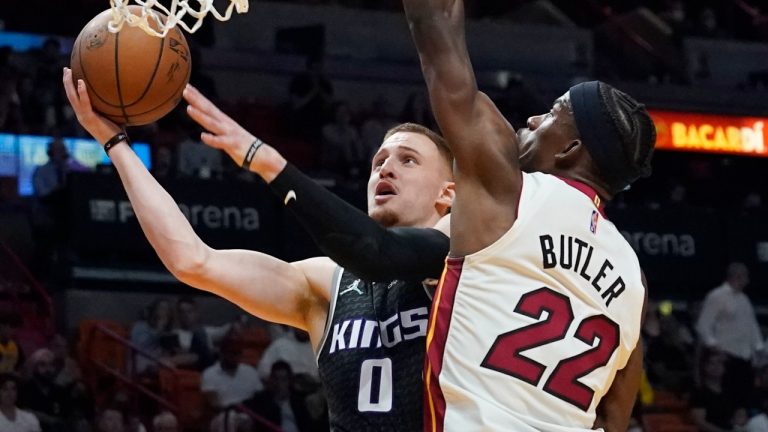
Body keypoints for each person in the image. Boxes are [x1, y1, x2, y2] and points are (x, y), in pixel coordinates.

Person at [64, 67, 453, 431]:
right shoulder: (325, 285)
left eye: (408, 160)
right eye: (379, 161)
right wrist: (115, 144)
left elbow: (377, 251)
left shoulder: (459, 261)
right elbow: (192, 260)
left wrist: (267, 162)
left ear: (448, 194)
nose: (385, 169)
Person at [402, 0, 655, 430]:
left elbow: (436, 41)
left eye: (552, 115)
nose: (534, 117)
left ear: (571, 150)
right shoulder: (634, 278)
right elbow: (614, 417)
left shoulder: (510, 189)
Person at [696, 262, 762, 408]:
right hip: (726, 356)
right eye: (745, 276)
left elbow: (752, 328)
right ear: (737, 276)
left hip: (745, 359)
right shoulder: (717, 296)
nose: (748, 280)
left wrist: (758, 350)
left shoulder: (745, 300)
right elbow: (703, 325)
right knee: (729, 398)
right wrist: (715, 347)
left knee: (745, 399)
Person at [200, 334, 263, 409]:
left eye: (238, 353)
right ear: (222, 353)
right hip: (224, 415)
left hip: (251, 413)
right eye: (232, 353)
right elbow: (214, 404)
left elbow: (260, 397)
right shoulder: (209, 374)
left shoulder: (251, 372)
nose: (235, 357)